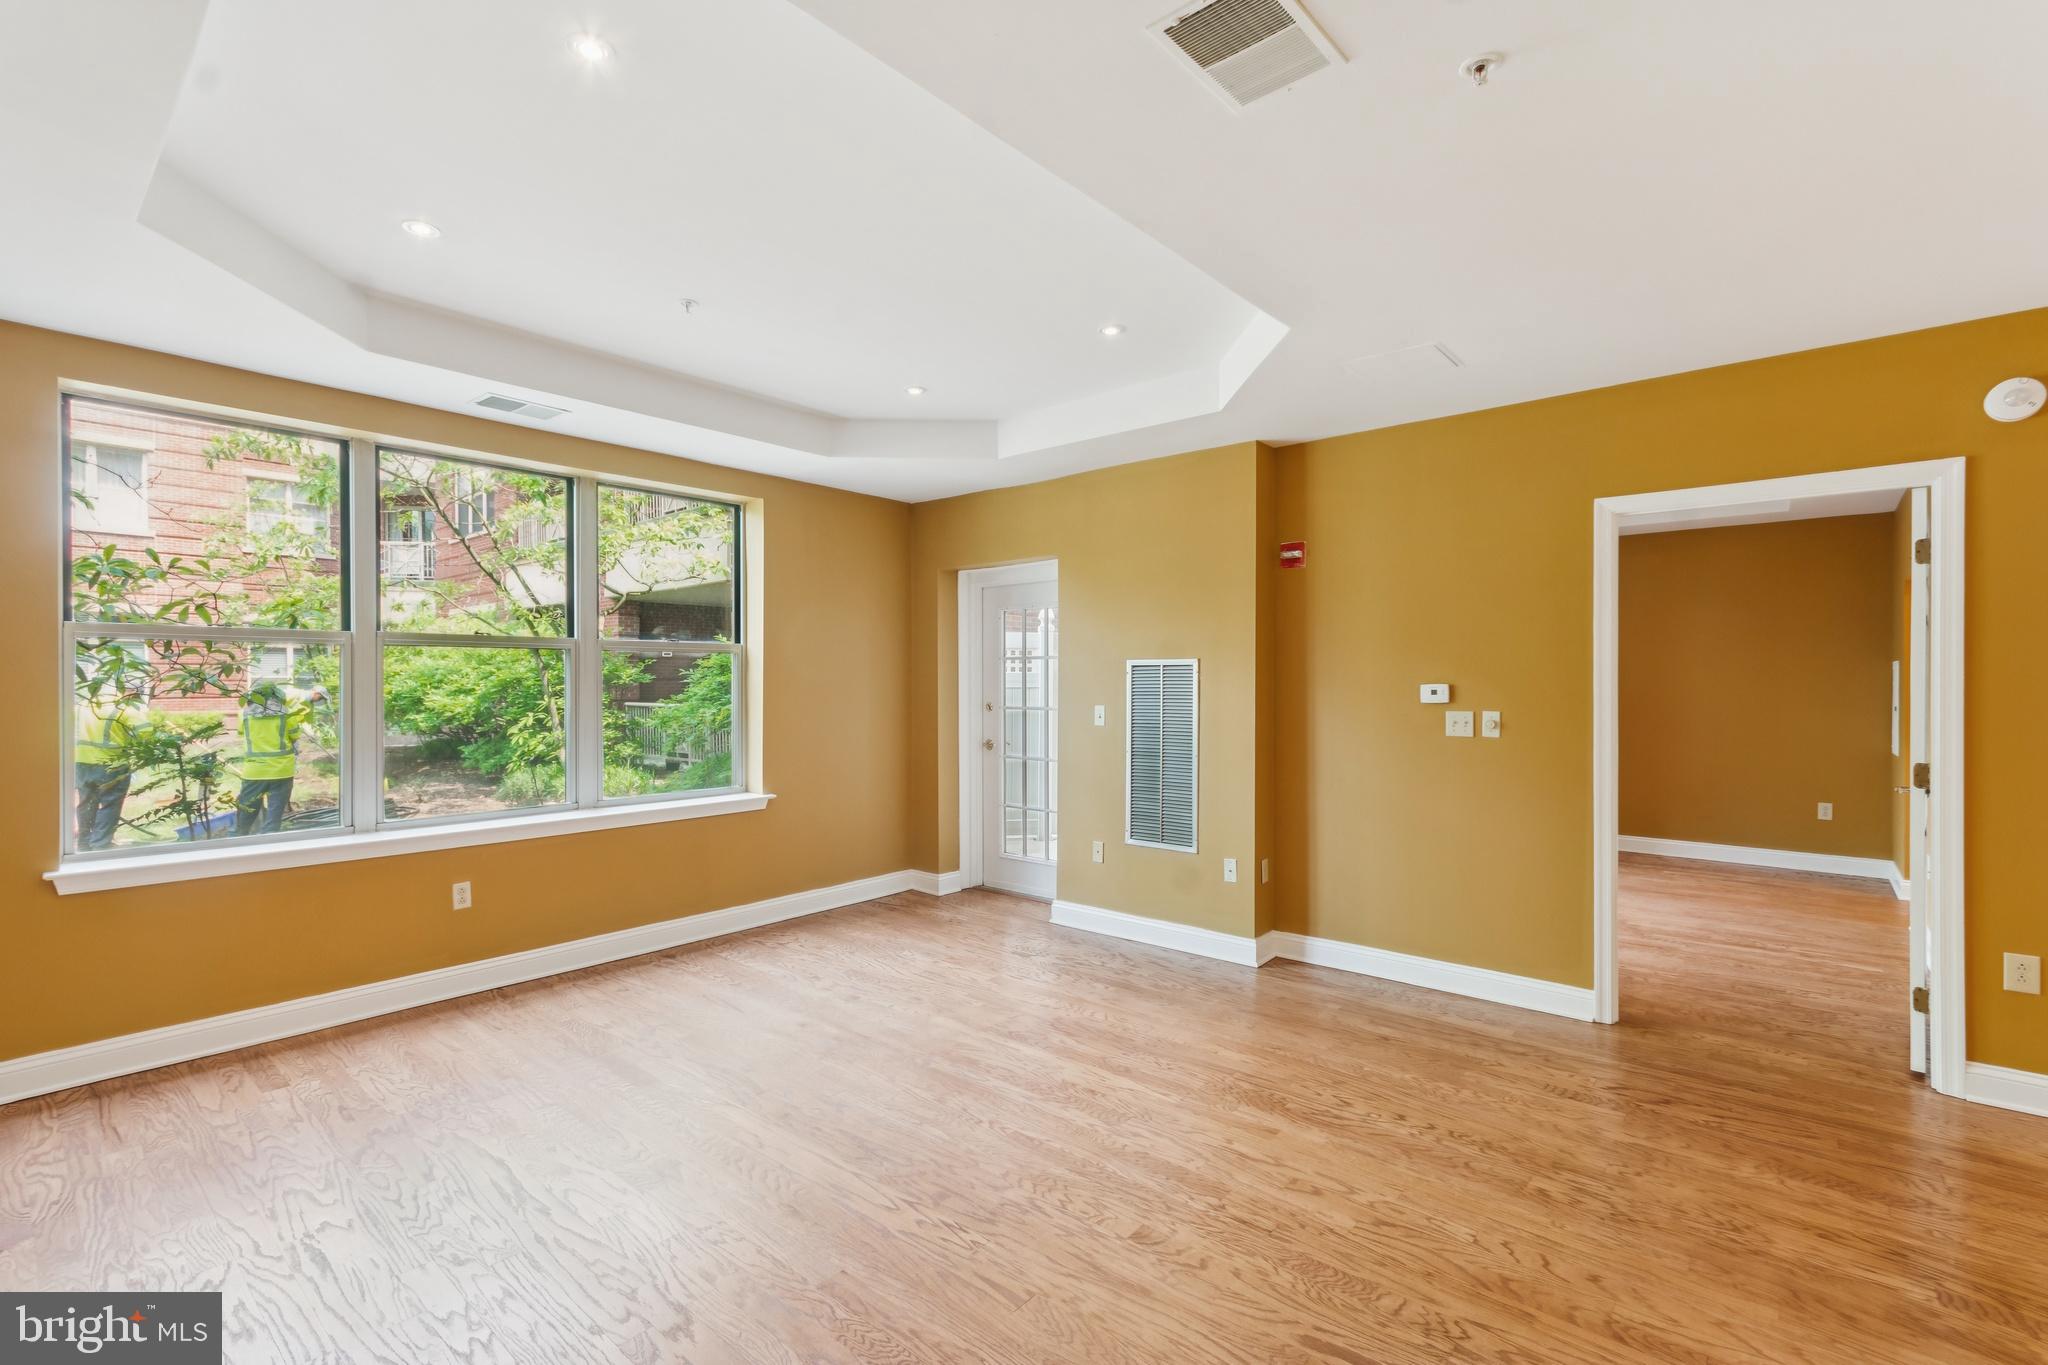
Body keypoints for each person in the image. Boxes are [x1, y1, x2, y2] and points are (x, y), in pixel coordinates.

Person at [235, 682, 328, 836]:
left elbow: (241, 733)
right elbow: (295, 736)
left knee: (245, 816)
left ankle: (236, 845)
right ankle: (269, 849)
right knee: (273, 819)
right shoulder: (288, 714)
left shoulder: (243, 714)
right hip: (282, 772)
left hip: (254, 773)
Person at [74, 688, 147, 850]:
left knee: (86, 803)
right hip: (112, 765)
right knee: (110, 805)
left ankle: (84, 843)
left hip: (82, 762)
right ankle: (100, 845)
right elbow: (146, 734)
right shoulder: (124, 708)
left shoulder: (82, 706)